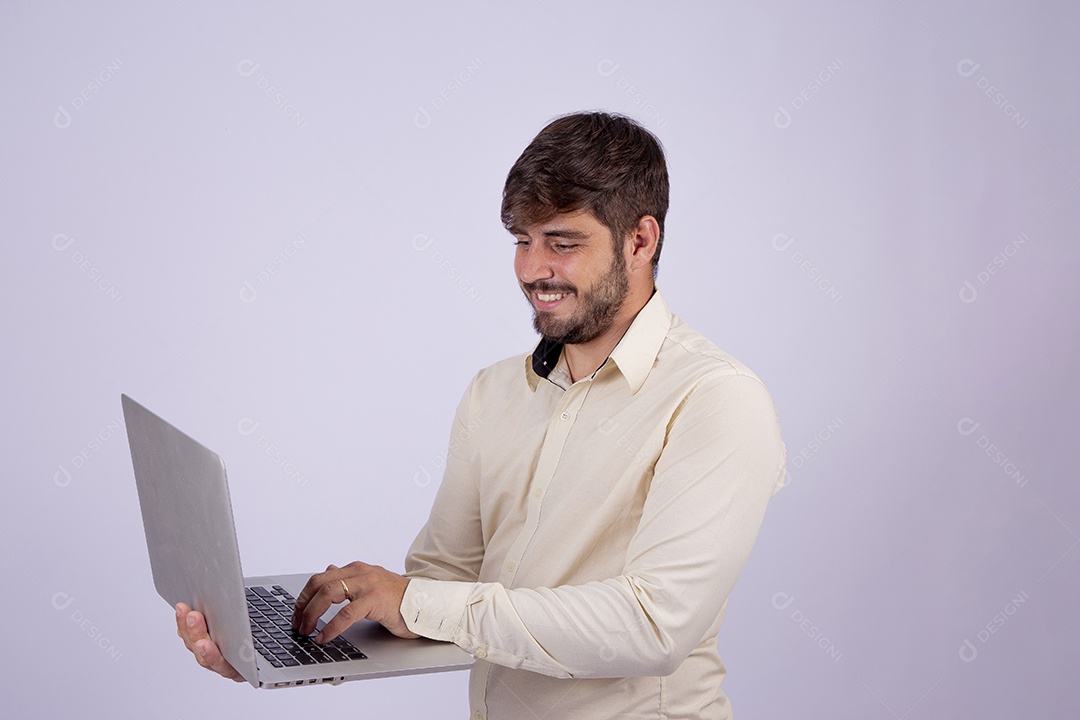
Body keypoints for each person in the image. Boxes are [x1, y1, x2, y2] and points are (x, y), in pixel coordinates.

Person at [176, 111, 786, 719]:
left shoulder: (716, 400)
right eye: (523, 241)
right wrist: (283, 653)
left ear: (640, 240)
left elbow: (655, 626)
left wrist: (415, 600)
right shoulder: (493, 393)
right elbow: (439, 590)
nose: (532, 270)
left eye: (563, 244)